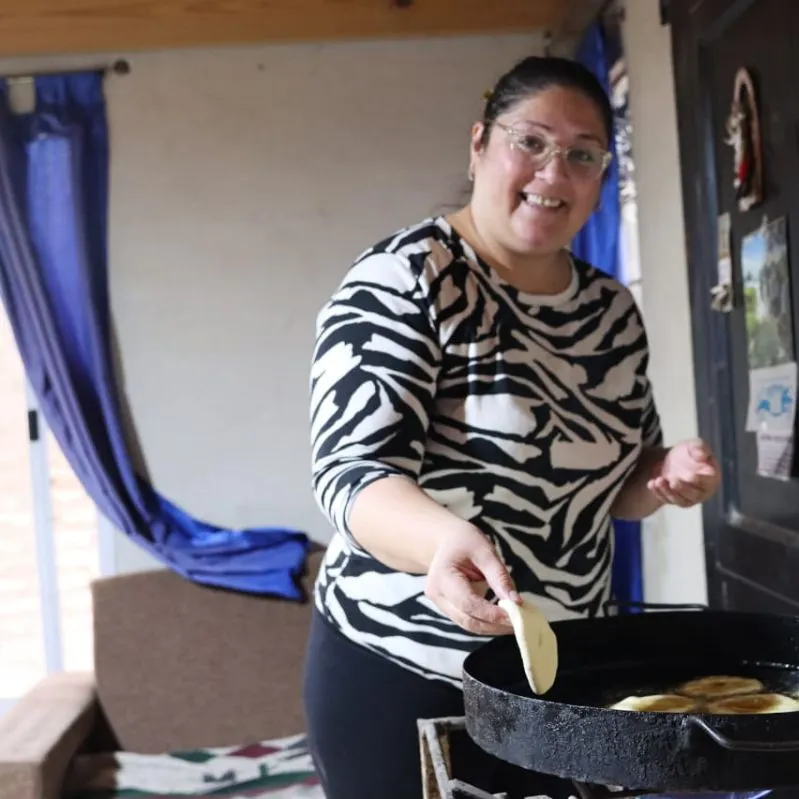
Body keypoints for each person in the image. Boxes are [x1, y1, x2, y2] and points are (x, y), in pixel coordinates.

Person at [302, 55, 721, 799]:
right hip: (406, 669)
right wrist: (441, 543)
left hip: (562, 676)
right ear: (479, 145)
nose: (553, 173)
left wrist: (660, 478)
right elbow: (353, 475)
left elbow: (615, 486)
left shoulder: (610, 311)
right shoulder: (408, 276)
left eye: (583, 154)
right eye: (530, 142)